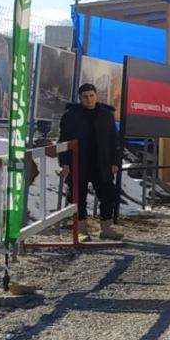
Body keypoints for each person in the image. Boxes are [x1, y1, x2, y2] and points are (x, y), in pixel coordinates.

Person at [58, 83, 123, 240]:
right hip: (78, 163)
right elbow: (63, 141)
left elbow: (114, 141)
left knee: (108, 195)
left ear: (96, 96)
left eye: (91, 96)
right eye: (85, 96)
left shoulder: (106, 115)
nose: (89, 99)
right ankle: (81, 231)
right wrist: (65, 163)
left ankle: (106, 228)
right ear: (80, 98)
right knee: (77, 197)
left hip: (102, 163)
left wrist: (115, 162)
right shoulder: (70, 116)